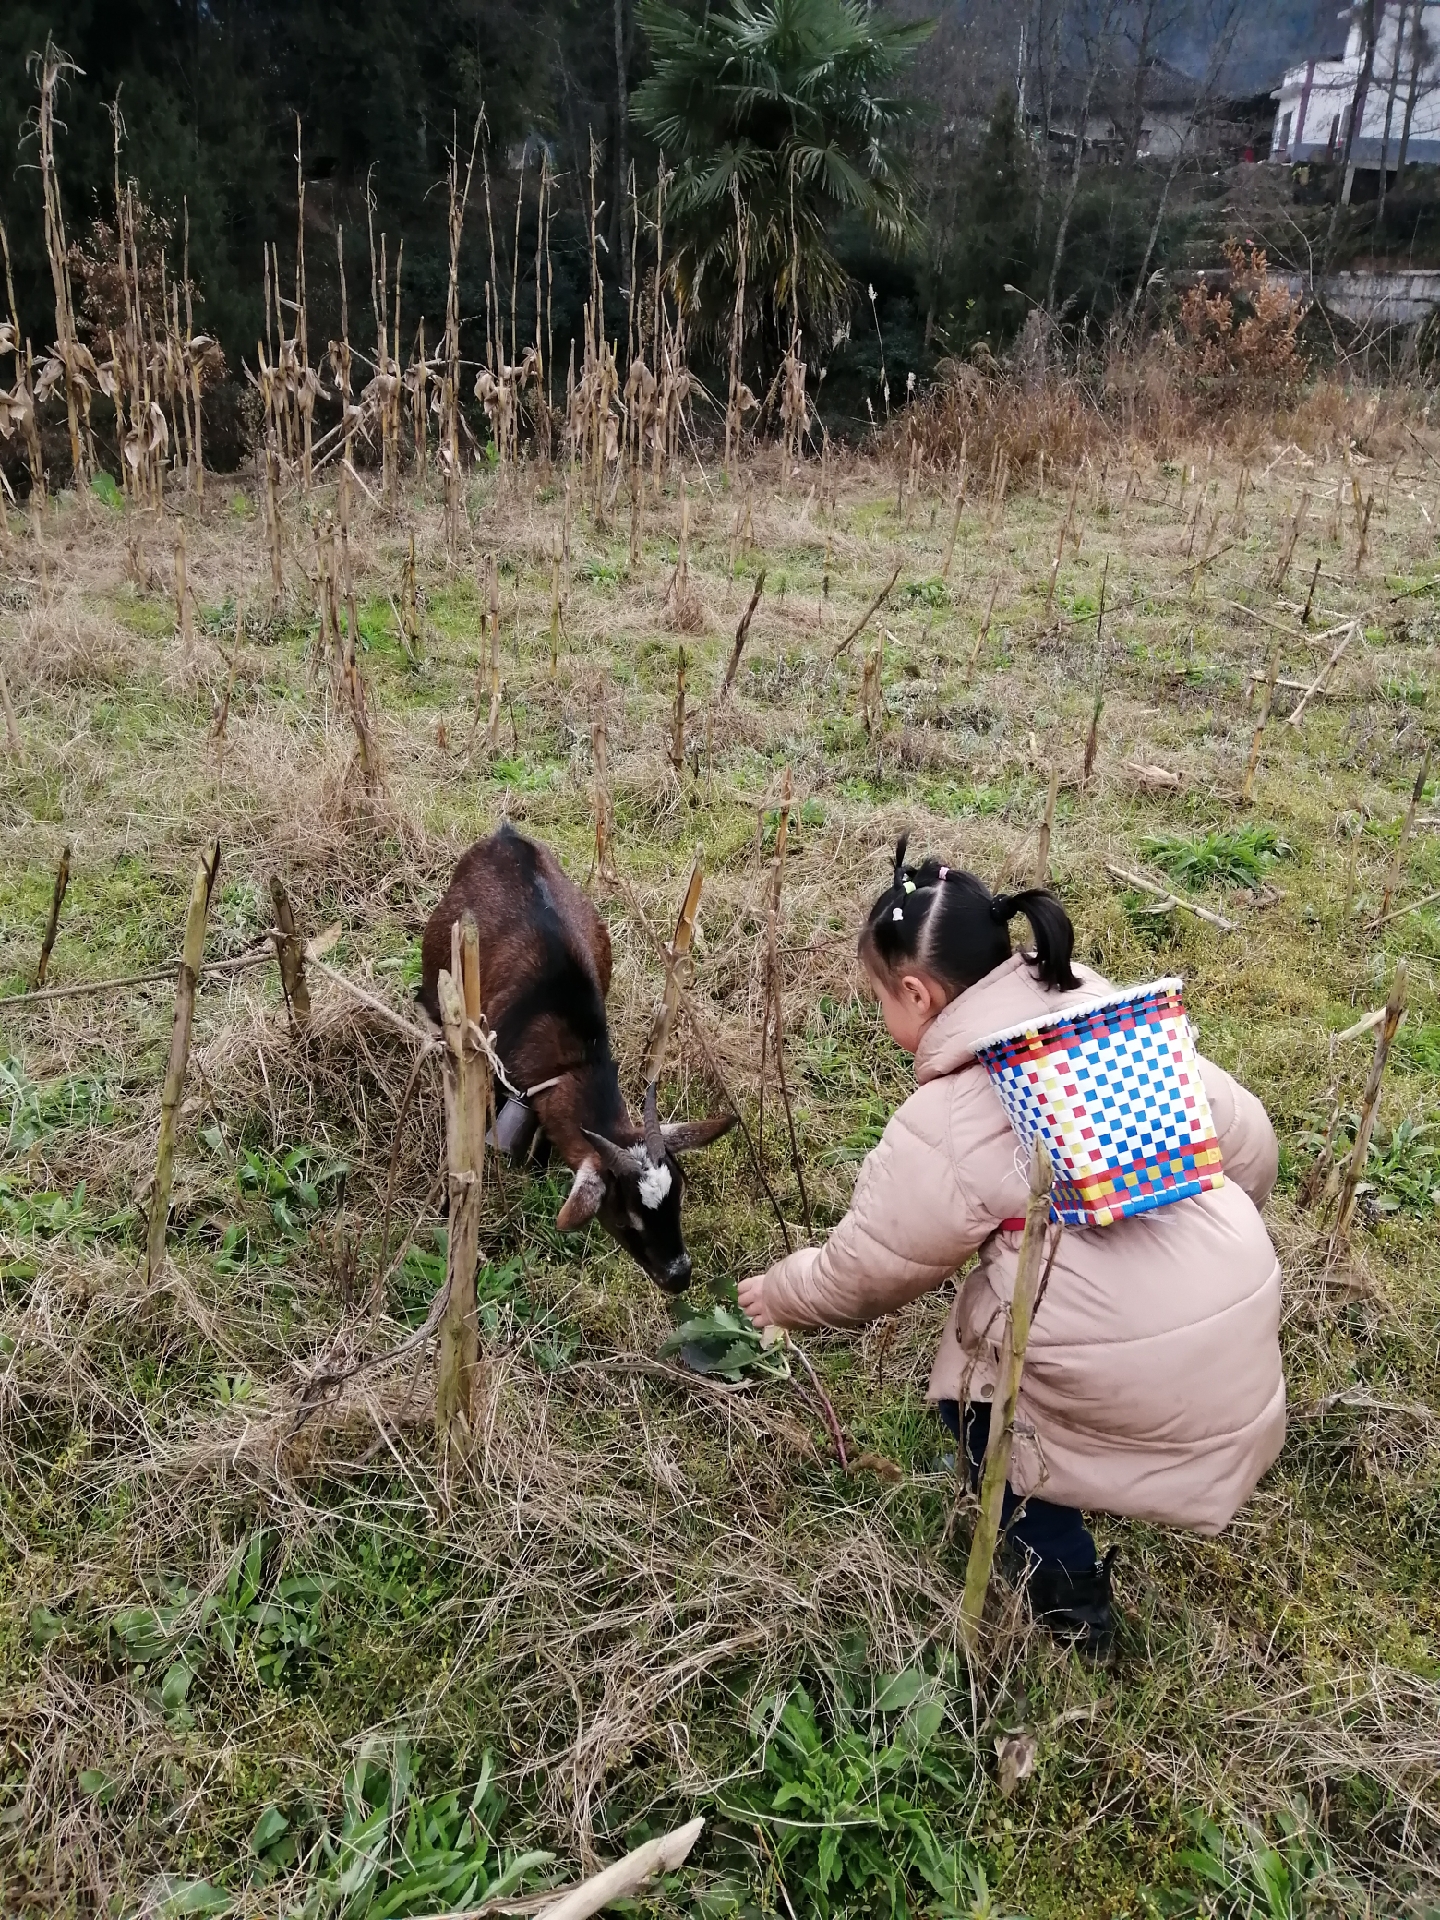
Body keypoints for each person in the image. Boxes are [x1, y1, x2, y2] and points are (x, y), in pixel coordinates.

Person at [738, 837, 1285, 1655]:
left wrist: (778, 1293)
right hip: (1244, 1325)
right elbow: (1253, 1147)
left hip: (1149, 1371)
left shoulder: (956, 1113)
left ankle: (1065, 1594)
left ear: (918, 995)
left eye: (879, 999)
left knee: (975, 1392)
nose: (880, 1015)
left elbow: (866, 1274)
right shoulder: (1122, 1030)